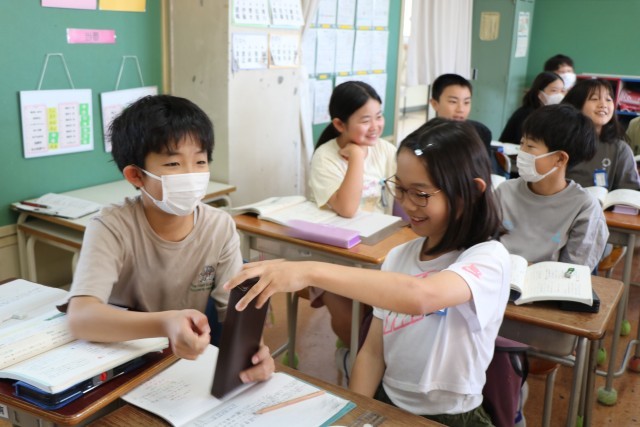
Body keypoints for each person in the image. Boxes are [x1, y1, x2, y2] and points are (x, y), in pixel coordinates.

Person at [226, 119, 511, 426]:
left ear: (471, 192)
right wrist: (355, 413)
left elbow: (421, 296)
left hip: (454, 416)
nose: (407, 204)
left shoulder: (488, 258)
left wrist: (309, 271)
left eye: (421, 194)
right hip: (387, 401)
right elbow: (373, 353)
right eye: (400, 188)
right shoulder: (399, 256)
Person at [64, 95, 274, 384]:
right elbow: (81, 318)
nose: (191, 174)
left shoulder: (219, 226)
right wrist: (166, 323)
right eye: (174, 163)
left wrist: (255, 351)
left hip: (183, 362)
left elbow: (235, 310)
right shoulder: (111, 226)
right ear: (136, 175)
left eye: (200, 161)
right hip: (121, 360)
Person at [308, 81, 397, 357]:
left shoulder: (385, 150)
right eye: (365, 120)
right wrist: (357, 156)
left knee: (380, 317)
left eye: (379, 116)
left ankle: (359, 354)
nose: (375, 126)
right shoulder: (325, 157)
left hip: (375, 250)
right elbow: (347, 209)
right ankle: (350, 355)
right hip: (332, 254)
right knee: (351, 321)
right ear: (339, 124)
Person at [497, 104, 609, 271]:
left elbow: (571, 272)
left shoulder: (585, 208)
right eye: (522, 143)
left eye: (530, 146)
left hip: (547, 284)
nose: (521, 153)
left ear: (560, 159)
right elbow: (483, 248)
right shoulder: (504, 191)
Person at [562, 78, 640, 191]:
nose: (603, 104)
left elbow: (629, 192)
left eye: (608, 99)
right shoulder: (560, 142)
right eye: (594, 99)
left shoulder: (620, 149)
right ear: (576, 105)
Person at [429, 73, 493, 155]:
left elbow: (485, 163)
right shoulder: (425, 138)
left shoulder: (480, 132)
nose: (461, 109)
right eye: (453, 102)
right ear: (435, 104)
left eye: (466, 102)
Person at [499, 71, 564, 144]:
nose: (560, 95)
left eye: (562, 91)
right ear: (539, 93)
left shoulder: (548, 113)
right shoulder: (527, 113)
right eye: (554, 90)